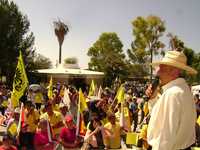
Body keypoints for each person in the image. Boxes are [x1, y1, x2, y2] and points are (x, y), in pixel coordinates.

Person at [146, 50, 197, 150]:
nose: (158, 72)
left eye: (162, 67)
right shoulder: (184, 90)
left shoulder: (172, 94)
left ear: (175, 71)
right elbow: (159, 119)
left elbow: (164, 139)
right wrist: (153, 99)